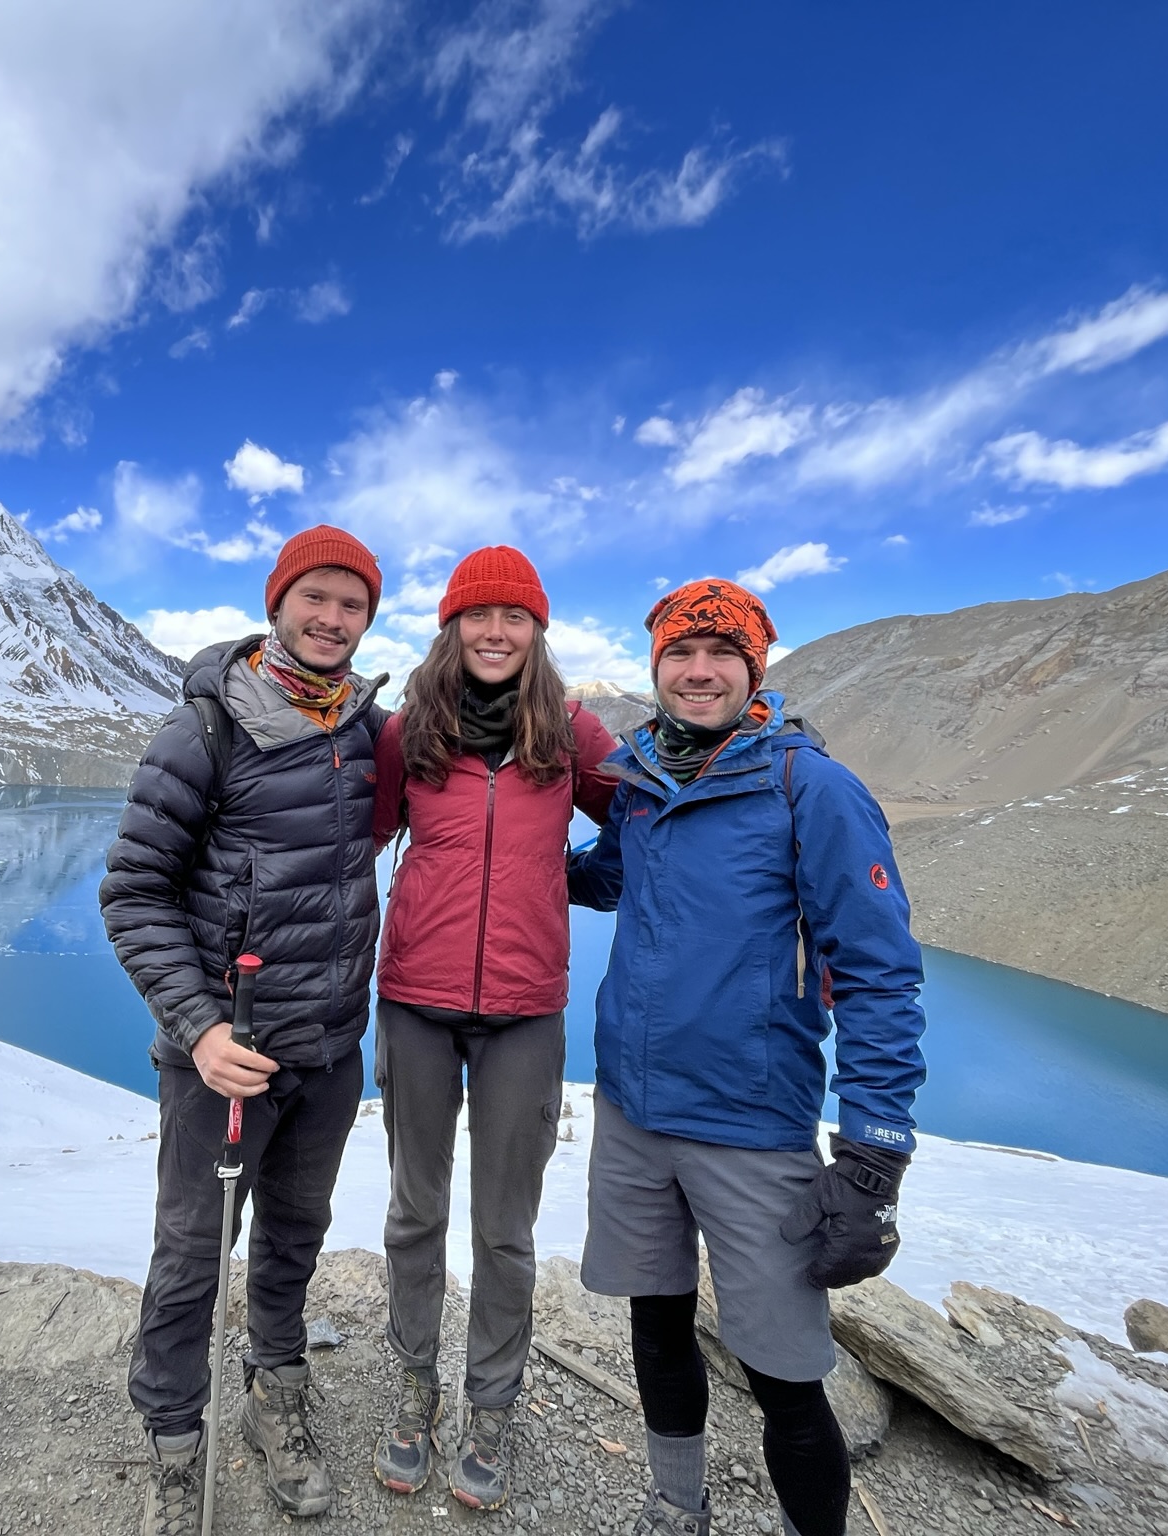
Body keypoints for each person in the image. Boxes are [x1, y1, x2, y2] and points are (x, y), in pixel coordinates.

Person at [567, 578, 927, 1536]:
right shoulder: (643, 784)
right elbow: (603, 878)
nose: (698, 671)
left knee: (786, 1374)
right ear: (656, 669)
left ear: (754, 667)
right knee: (656, 1325)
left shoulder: (810, 786)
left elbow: (881, 974)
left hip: (752, 1129)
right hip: (633, 1115)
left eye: (722, 654)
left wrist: (874, 1154)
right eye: (680, 654)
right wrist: (497, 845)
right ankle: (675, 1507)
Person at [100, 525, 388, 1536]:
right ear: (278, 602)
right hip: (221, 1060)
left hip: (328, 1048)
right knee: (190, 1251)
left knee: (294, 1237)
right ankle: (173, 1445)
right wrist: (197, 1026)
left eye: (350, 604)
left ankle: (275, 1395)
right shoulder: (205, 727)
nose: (330, 618)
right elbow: (134, 892)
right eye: (314, 596)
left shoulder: (366, 728)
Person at [368, 545, 620, 1510]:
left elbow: (647, 825)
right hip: (417, 1005)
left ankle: (492, 1407)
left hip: (525, 1014)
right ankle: (412, 1385)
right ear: (452, 626)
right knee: (414, 1212)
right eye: (480, 616)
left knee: (504, 1229)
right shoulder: (407, 734)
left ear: (537, 632)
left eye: (516, 618)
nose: (496, 633)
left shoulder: (571, 732)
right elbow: (356, 837)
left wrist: (579, 880)